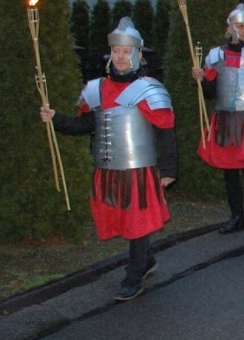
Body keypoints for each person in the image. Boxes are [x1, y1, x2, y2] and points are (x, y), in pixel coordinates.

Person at [40, 18, 177, 301]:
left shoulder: (148, 88)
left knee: (137, 221)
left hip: (139, 170)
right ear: (110, 53)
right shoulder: (97, 89)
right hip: (109, 169)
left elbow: (166, 131)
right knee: (125, 220)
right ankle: (147, 259)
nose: (121, 56)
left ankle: (134, 274)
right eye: (117, 51)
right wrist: (55, 119)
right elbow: (85, 125)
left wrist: (169, 168)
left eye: (127, 52)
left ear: (138, 55)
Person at [192, 4, 244, 234]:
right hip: (224, 119)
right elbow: (210, 93)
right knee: (229, 170)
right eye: (240, 25)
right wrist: (200, 79)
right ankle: (237, 217)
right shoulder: (216, 55)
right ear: (229, 28)